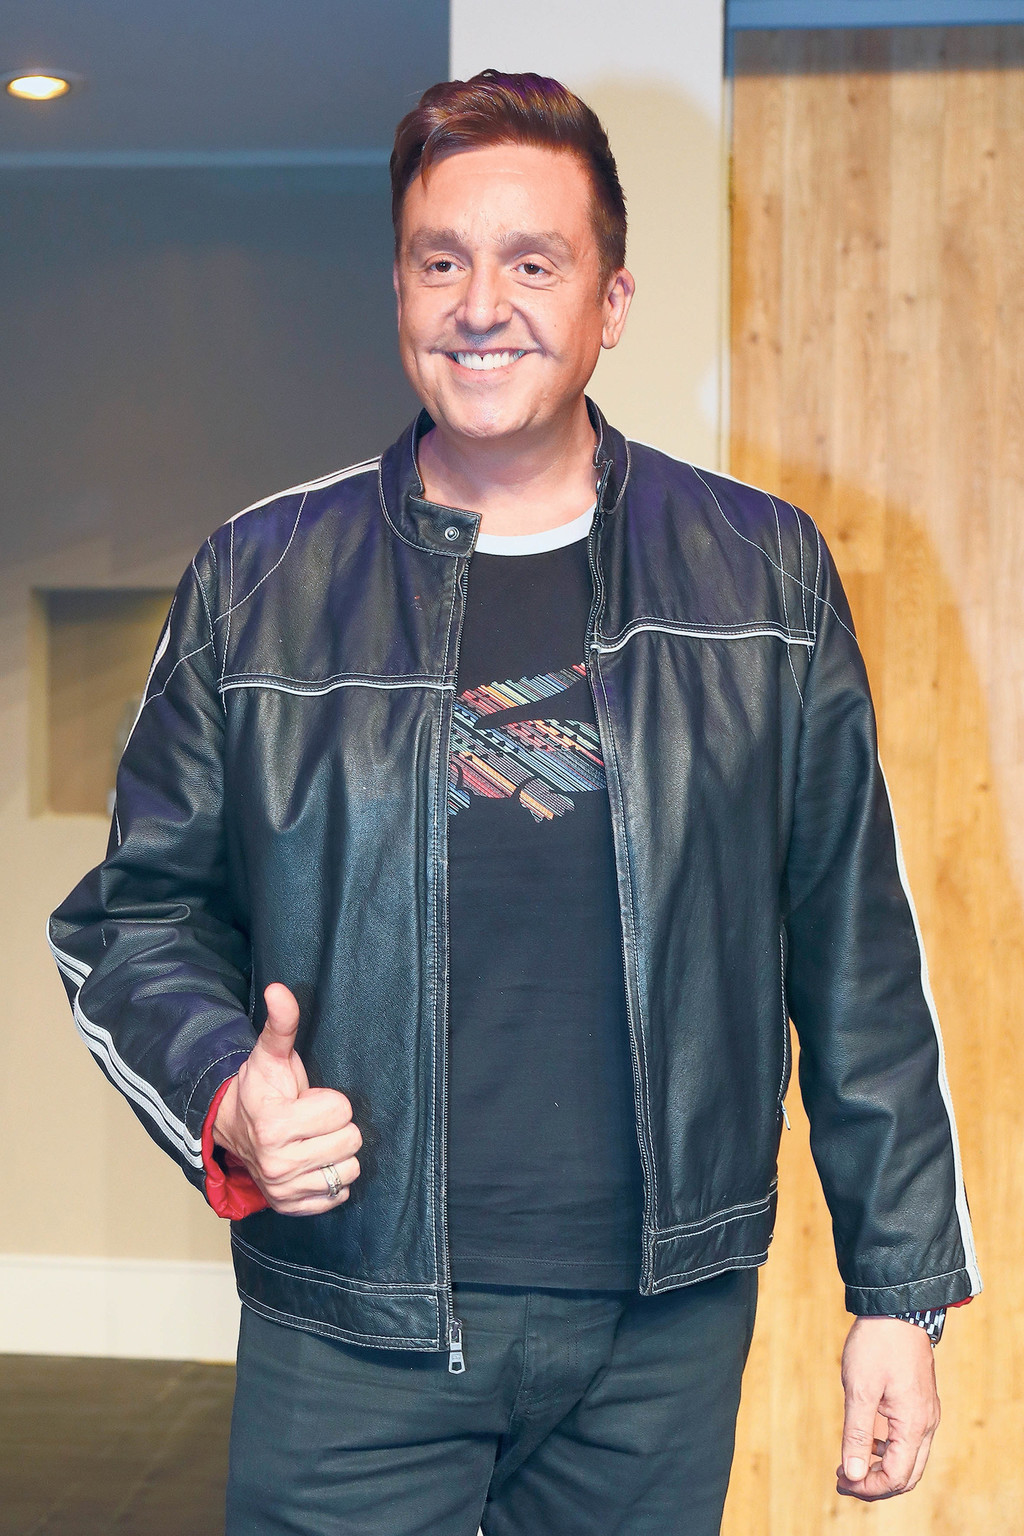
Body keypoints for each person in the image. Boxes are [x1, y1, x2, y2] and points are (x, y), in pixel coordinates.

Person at [48, 70, 980, 1535]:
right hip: (351, 1318)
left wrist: (898, 1292)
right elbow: (132, 921)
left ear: (613, 301)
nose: (481, 305)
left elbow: (857, 955)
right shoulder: (258, 582)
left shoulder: (763, 576)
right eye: (442, 262)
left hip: (660, 1337)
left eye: (533, 264)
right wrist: (225, 1089)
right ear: (400, 291)